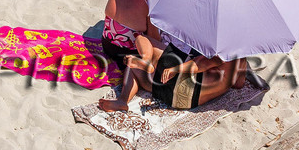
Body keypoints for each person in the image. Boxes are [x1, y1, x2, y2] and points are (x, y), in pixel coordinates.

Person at [98, 32, 248, 113]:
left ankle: (123, 99)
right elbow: (239, 84)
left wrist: (176, 69)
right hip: (188, 101)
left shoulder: (226, 43)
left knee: (142, 39)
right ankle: (145, 64)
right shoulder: (242, 54)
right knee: (137, 67)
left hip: (182, 87)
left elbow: (202, 63)